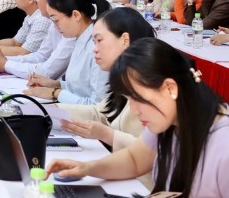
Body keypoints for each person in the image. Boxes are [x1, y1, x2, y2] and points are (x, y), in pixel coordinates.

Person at [46, 39, 229, 197]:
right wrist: (88, 168)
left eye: (137, 98)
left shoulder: (223, 145)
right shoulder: (171, 121)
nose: (134, 110)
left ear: (170, 88)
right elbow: (134, 160)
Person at [58, 8, 156, 155]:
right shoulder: (124, 78)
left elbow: (155, 151)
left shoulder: (151, 85)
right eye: (93, 42)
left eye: (99, 40)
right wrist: (47, 110)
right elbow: (100, 113)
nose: (95, 50)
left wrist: (108, 135)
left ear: (124, 40)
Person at [24, 0, 110, 104]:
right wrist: (55, 84)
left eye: (56, 20)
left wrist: (56, 93)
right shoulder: (79, 38)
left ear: (75, 15)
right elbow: (80, 88)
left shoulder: (97, 46)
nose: (54, 26)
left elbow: (97, 106)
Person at [0, 0, 78, 79]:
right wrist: (3, 59)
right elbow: (41, 56)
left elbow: (48, 71)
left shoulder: (69, 28)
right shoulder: (54, 22)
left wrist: (5, 64)